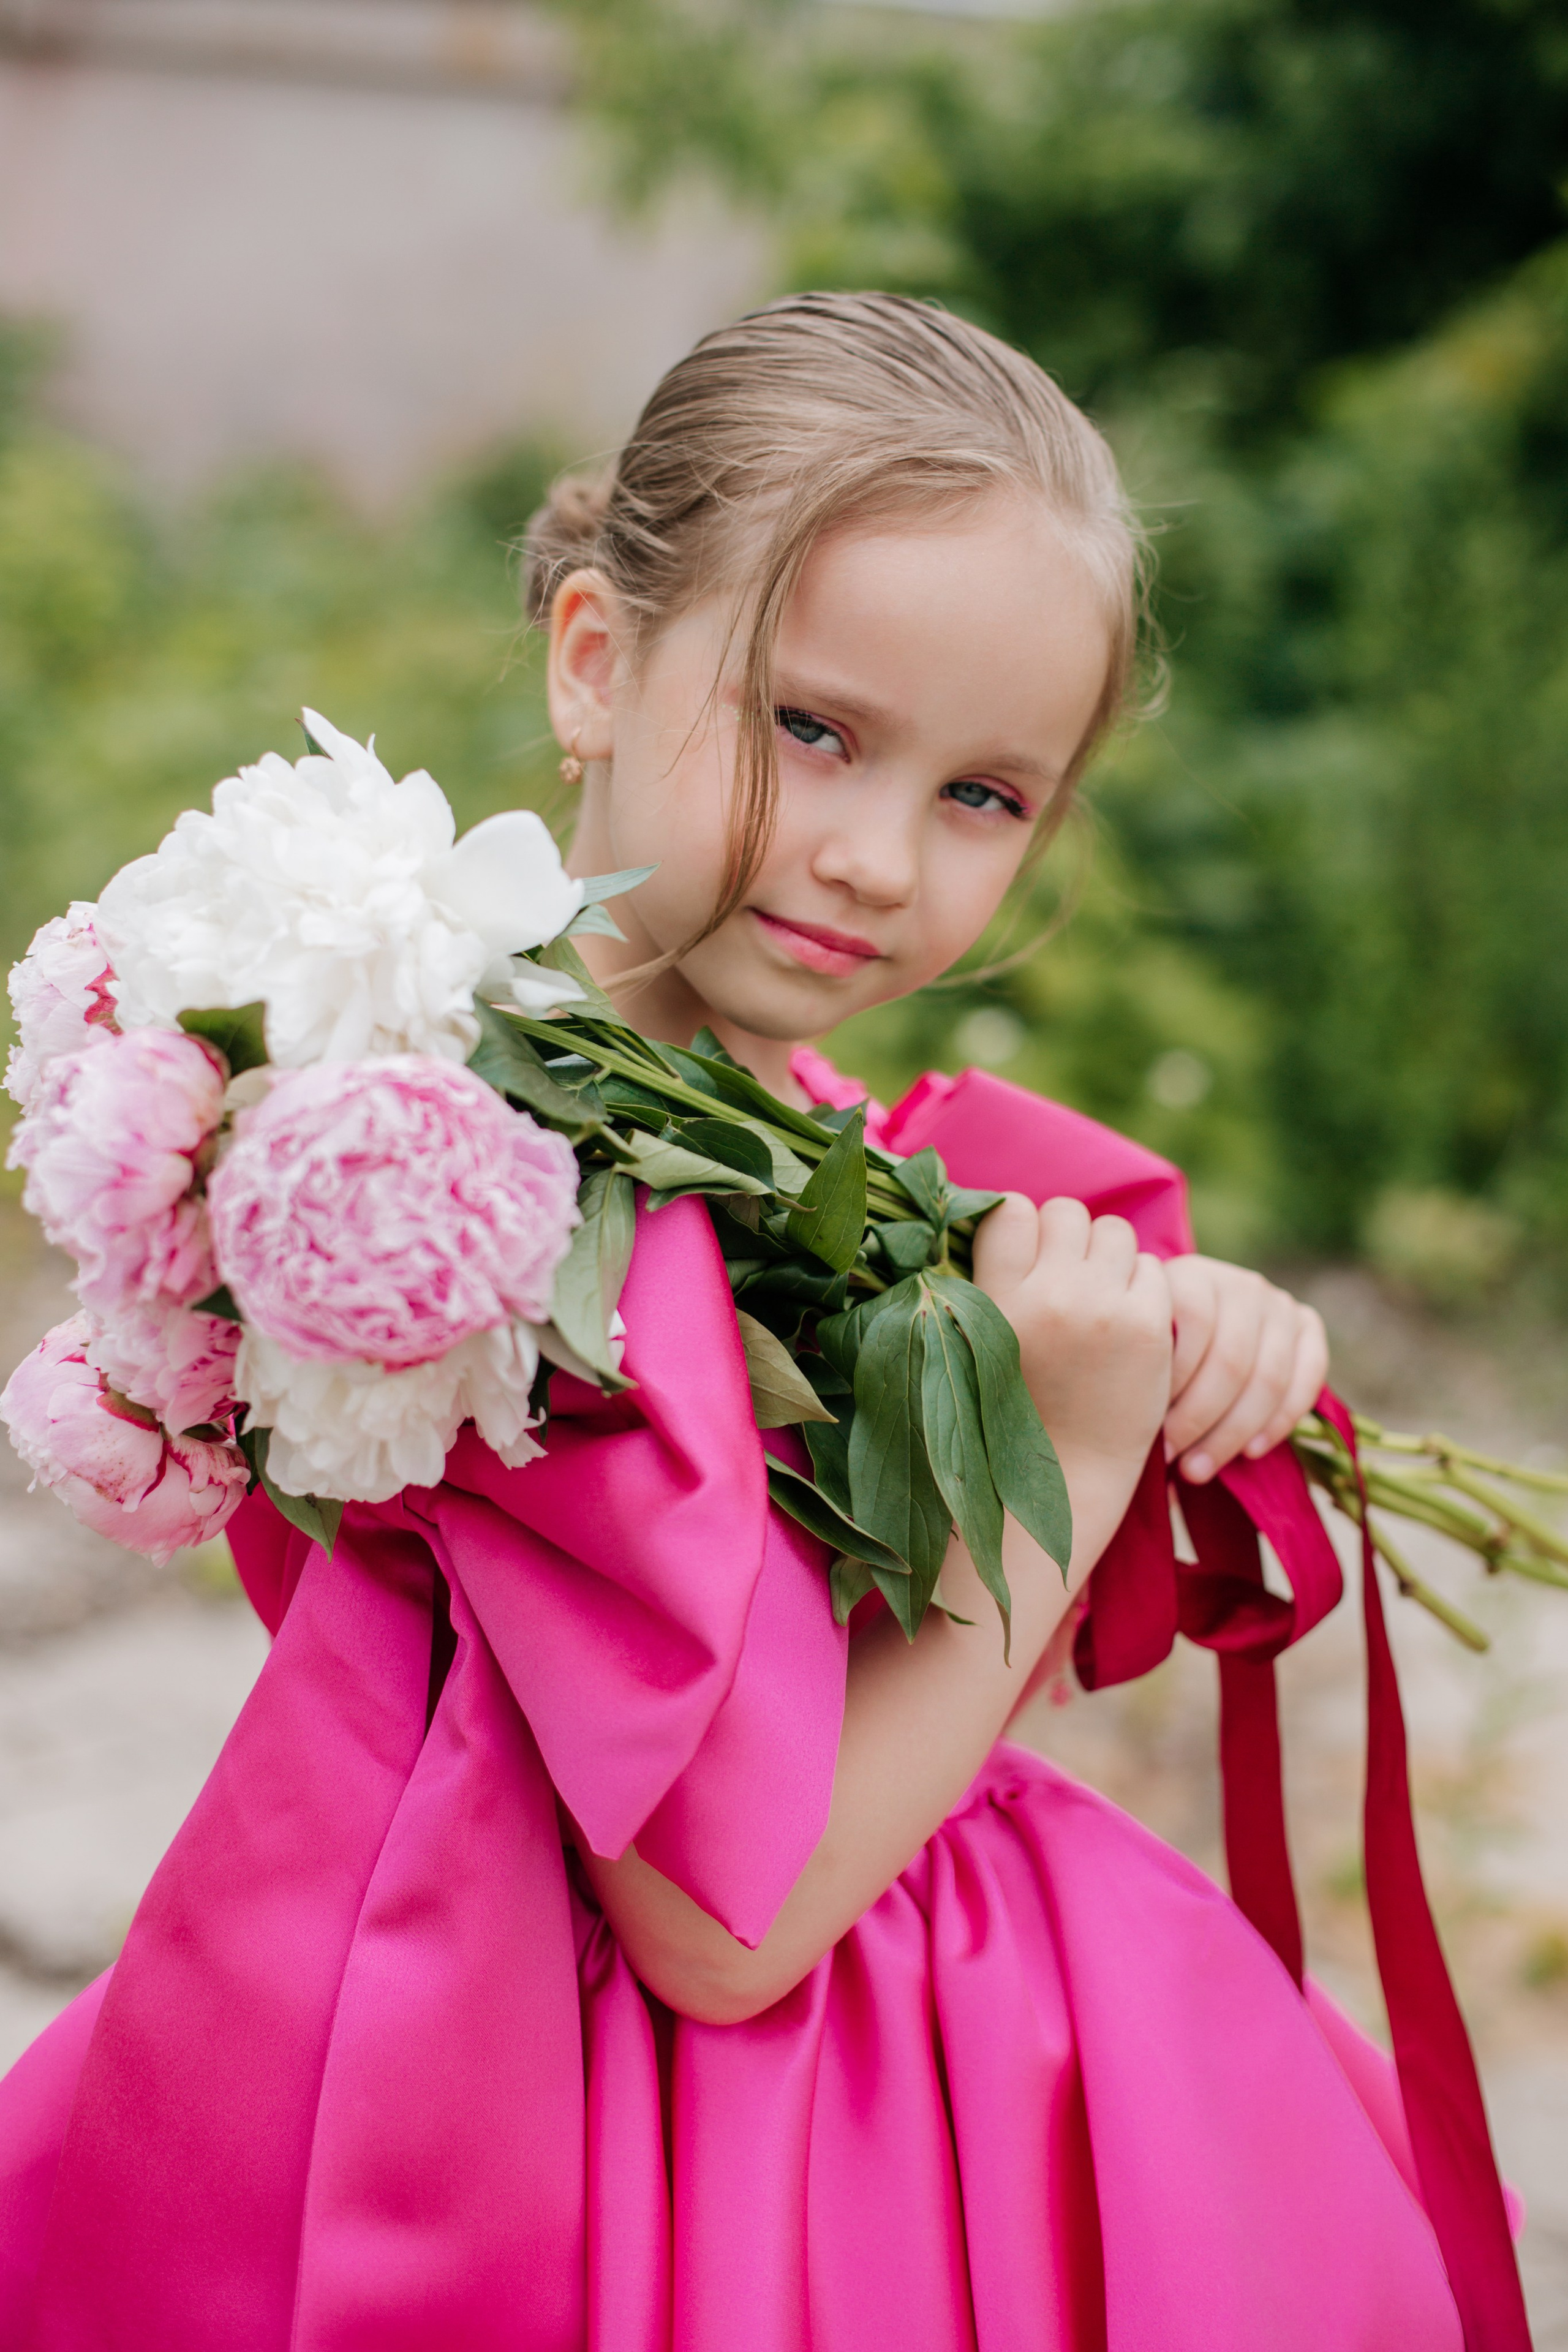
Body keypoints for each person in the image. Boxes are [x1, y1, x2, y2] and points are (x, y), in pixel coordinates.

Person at [0, 295, 1505, 2350]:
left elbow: (901, 1631)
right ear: (596, 661)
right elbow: (725, 1928)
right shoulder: (500, 1222)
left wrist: (1152, 1340)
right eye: (815, 730)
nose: (878, 859)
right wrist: (1064, 1455)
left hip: (920, 1987)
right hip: (596, 2100)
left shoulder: (812, 1158)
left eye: (986, 796)